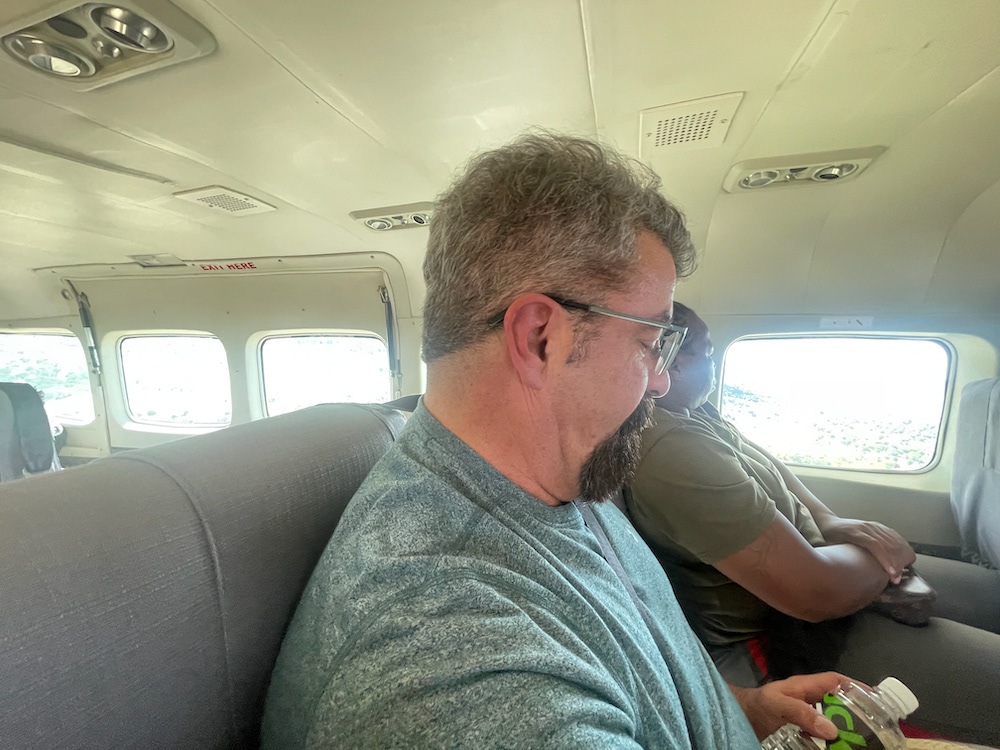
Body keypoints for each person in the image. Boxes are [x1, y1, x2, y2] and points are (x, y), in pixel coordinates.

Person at [261, 134, 850, 749]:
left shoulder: (557, 480)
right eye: (650, 343)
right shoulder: (459, 665)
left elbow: (629, 664)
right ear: (541, 338)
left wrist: (741, 711)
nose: (661, 380)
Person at [628, 301, 1000, 745]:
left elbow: (767, 464)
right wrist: (888, 558)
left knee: (991, 599)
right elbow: (814, 593)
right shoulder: (670, 448)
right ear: (669, 360)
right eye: (707, 352)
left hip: (819, 569)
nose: (713, 362)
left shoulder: (694, 409)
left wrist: (830, 520)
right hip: (781, 638)